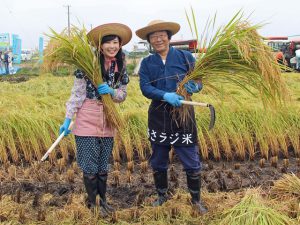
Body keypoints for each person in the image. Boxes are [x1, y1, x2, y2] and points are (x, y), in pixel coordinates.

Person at [59, 23, 132, 216]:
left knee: (102, 166)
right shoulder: (87, 64)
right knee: (90, 167)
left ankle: (103, 201)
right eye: (107, 43)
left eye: (115, 42)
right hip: (87, 118)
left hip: (108, 119)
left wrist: (112, 92)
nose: (112, 46)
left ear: (120, 44)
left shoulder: (121, 65)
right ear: (100, 46)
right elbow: (76, 94)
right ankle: (94, 205)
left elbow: (123, 95)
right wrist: (68, 119)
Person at [136, 20, 208, 214]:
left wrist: (196, 87)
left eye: (161, 35)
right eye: (153, 36)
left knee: (191, 159)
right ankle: (162, 195)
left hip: (184, 116)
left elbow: (198, 80)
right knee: (158, 159)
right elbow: (145, 87)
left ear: (169, 37)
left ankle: (196, 200)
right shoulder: (147, 62)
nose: (158, 39)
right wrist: (164, 95)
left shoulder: (185, 57)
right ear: (150, 41)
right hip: (159, 115)